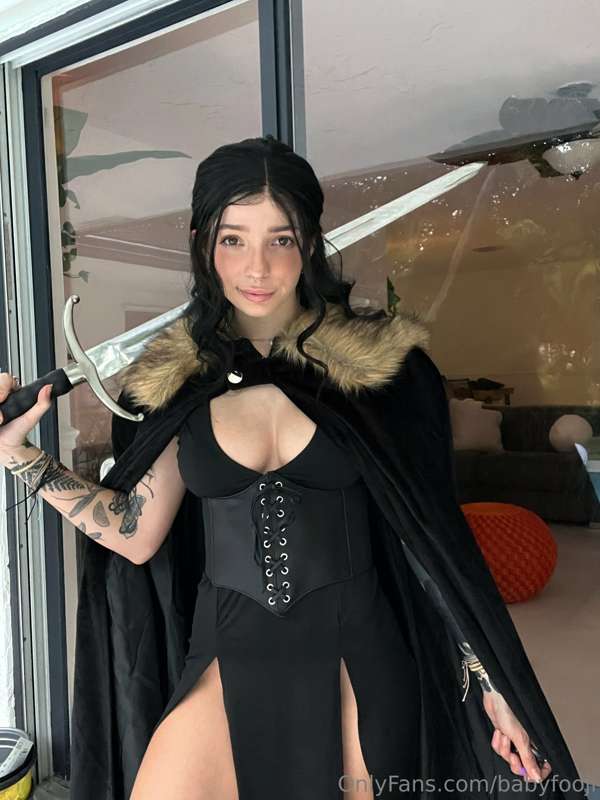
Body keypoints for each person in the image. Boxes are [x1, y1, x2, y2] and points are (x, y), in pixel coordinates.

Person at [0, 136, 585, 800]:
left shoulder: (381, 373)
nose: (257, 266)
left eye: (280, 239)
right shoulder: (176, 381)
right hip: (223, 655)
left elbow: (430, 546)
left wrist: (493, 685)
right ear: (202, 243)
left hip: (357, 660)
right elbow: (134, 533)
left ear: (308, 243)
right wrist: (17, 454)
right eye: (233, 239)